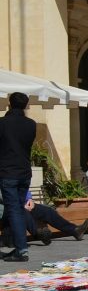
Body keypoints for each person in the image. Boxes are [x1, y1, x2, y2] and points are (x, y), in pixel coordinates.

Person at [0, 92, 37, 261]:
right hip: (24, 171)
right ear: (26, 105)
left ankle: (21, 250)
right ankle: (20, 246)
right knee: (18, 209)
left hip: (8, 171)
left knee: (14, 209)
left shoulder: (3, 123)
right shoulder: (31, 124)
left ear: (9, 104)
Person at [5, 191, 88, 246]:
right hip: (9, 208)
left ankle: (75, 230)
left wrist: (29, 199)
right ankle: (39, 233)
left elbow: (24, 188)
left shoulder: (11, 173)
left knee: (47, 211)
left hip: (22, 205)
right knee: (22, 212)